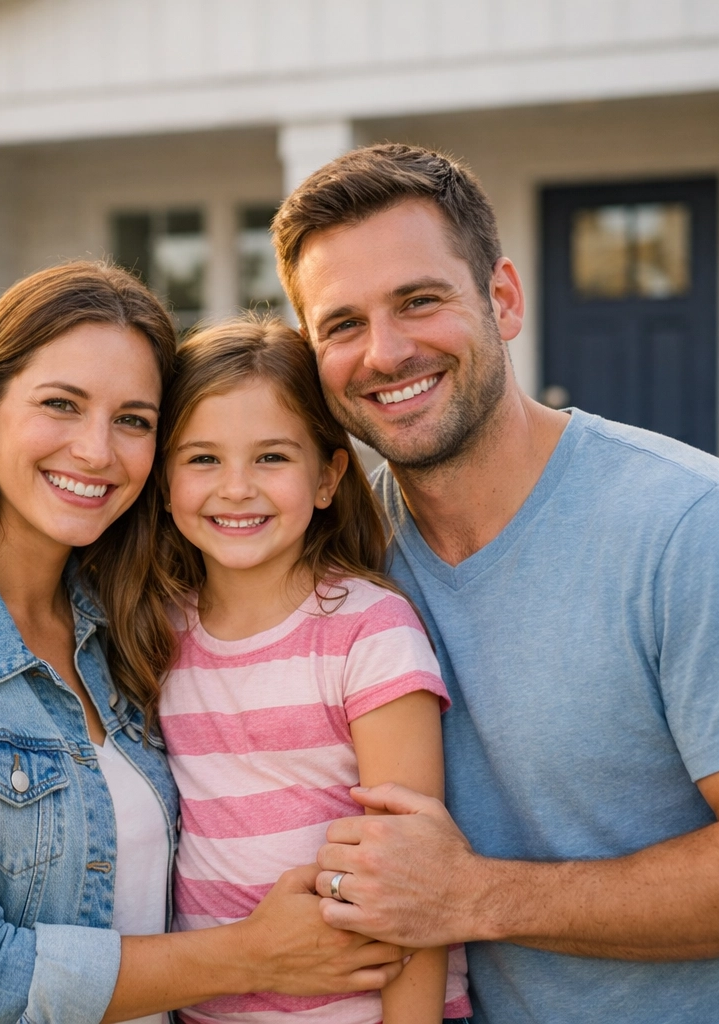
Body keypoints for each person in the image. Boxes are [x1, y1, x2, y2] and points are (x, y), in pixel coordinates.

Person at [267, 143, 719, 1022]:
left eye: (420, 301)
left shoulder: (693, 526)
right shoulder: (346, 563)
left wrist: (473, 896)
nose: (386, 352)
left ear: (502, 299)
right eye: (343, 325)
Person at [0, 261, 407, 1024]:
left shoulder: (128, 628)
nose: (96, 451)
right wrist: (252, 954)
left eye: (133, 420)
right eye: (61, 405)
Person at [152, 317, 472, 1024]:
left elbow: (414, 871)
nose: (236, 488)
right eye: (202, 459)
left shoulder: (368, 633)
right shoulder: (160, 634)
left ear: (327, 477)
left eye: (271, 458)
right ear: (164, 479)